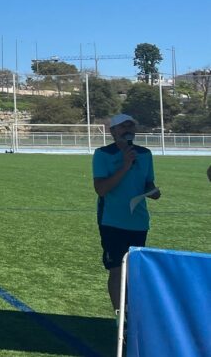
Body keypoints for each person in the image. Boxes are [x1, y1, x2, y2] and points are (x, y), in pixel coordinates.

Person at [93, 113, 160, 313]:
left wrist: (153, 192)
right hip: (112, 221)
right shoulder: (103, 154)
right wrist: (125, 165)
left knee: (132, 271)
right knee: (116, 270)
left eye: (131, 127)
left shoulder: (145, 154)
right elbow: (101, 189)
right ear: (112, 131)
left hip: (138, 221)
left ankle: (132, 313)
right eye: (123, 127)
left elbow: (148, 183)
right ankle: (119, 317)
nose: (128, 130)